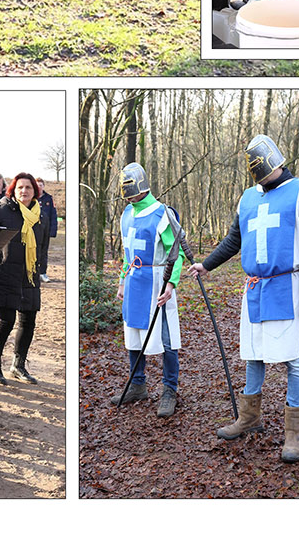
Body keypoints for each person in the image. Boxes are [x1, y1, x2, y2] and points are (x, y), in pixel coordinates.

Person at [190, 135, 299, 463]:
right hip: (254, 289)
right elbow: (234, 240)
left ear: (278, 162)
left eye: (266, 170)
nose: (263, 177)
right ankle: (249, 418)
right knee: (254, 355)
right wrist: (206, 264)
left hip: (289, 288)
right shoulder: (247, 199)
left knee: (293, 361)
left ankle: (294, 432)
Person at [115, 162, 187, 414]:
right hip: (135, 280)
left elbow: (175, 254)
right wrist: (123, 280)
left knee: (166, 338)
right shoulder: (127, 213)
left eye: (132, 191)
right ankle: (138, 385)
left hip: (158, 280)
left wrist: (171, 283)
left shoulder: (162, 214)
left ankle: (170, 390)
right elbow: (127, 253)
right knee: (134, 334)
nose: (130, 197)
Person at [0, 172, 55, 383]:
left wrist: (40, 268)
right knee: (7, 320)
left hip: (29, 275)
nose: (24, 191)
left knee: (28, 321)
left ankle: (18, 365)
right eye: (20, 187)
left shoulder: (40, 215)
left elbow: (43, 246)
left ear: (36, 191)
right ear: (13, 190)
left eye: (28, 188)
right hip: (4, 275)